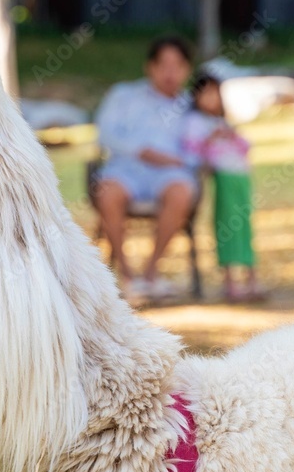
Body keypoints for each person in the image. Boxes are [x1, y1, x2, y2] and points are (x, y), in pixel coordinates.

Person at [95, 35, 197, 303]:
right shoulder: (123, 95)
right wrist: (141, 151)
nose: (170, 73)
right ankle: (128, 276)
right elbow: (105, 134)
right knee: (108, 192)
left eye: (177, 66)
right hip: (126, 168)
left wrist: (176, 160)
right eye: (163, 65)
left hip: (169, 173)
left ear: (187, 70)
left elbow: (201, 146)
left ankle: (151, 272)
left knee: (181, 192)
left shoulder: (192, 106)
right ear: (150, 67)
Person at [182, 73, 264, 302]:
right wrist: (210, 140)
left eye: (215, 93)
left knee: (244, 225)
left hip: (240, 176)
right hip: (222, 177)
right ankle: (231, 282)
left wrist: (230, 135)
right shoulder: (195, 123)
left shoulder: (222, 122)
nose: (212, 99)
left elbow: (245, 146)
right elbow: (192, 152)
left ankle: (251, 278)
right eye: (206, 93)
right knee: (227, 224)